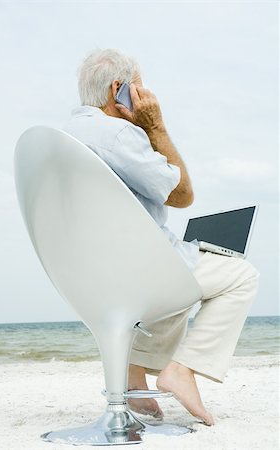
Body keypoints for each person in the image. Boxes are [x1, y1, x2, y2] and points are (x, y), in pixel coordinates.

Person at [63, 48, 259, 426]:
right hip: (137, 275)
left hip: (86, 276)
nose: (144, 95)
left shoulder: (62, 135)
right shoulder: (118, 132)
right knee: (240, 275)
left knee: (179, 273)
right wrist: (155, 127)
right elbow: (183, 194)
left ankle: (135, 375)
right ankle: (182, 369)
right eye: (139, 87)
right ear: (118, 89)